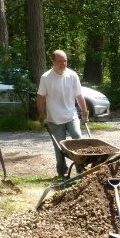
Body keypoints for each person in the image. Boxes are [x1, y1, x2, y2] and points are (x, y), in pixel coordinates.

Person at [37, 50, 89, 178]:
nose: (63, 63)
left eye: (65, 60)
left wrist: (85, 113)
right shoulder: (46, 77)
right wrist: (42, 116)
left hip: (71, 116)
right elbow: (40, 97)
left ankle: (80, 168)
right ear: (53, 61)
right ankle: (62, 172)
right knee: (60, 147)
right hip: (54, 118)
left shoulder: (72, 75)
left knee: (78, 139)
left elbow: (79, 95)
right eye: (60, 61)